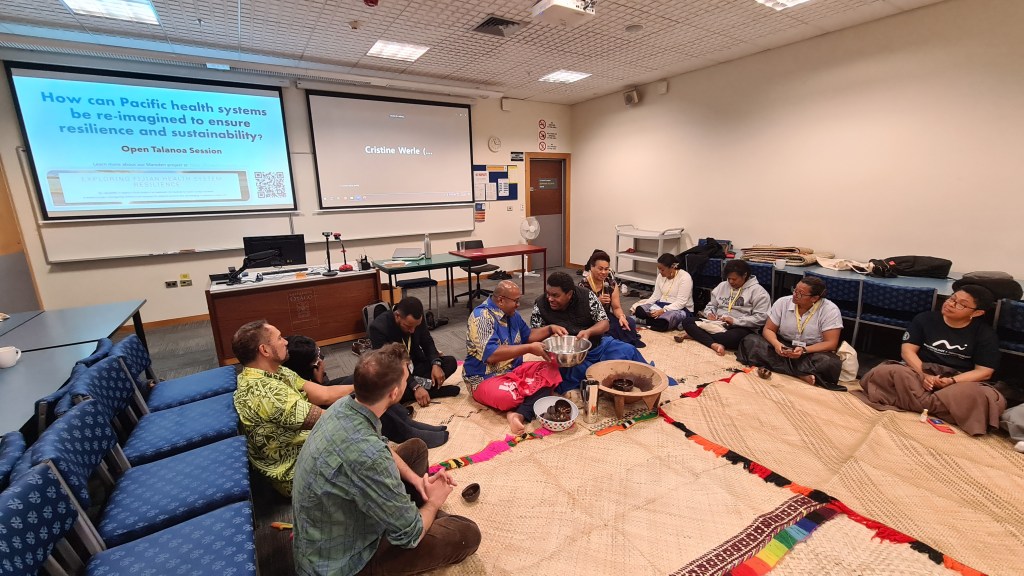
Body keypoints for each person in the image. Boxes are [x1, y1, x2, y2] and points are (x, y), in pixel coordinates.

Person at [292, 343, 481, 576]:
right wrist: (433, 503)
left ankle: (413, 511)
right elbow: (409, 537)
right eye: (406, 379)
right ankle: (418, 515)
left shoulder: (344, 405)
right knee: (467, 533)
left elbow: (379, 444)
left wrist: (417, 480)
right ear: (394, 393)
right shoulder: (368, 456)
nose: (408, 383)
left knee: (416, 448)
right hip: (343, 564)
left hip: (330, 528)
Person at [854, 285, 1007, 436]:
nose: (950, 304)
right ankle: (943, 409)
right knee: (886, 371)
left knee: (982, 395)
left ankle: (913, 402)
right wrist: (923, 374)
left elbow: (984, 371)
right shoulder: (925, 319)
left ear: (977, 312)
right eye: (952, 298)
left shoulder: (985, 334)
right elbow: (907, 351)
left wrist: (952, 381)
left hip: (957, 382)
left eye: (961, 304)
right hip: (919, 371)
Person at [232, 320, 353, 496]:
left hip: (308, 444)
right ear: (264, 350)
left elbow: (324, 394)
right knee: (364, 427)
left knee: (360, 388)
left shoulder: (276, 371)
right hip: (298, 472)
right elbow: (332, 419)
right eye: (279, 338)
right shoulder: (267, 393)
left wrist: (365, 385)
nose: (286, 342)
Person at [283, 335, 448, 448]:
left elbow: (323, 388)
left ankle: (407, 423)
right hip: (323, 417)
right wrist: (371, 385)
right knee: (368, 393)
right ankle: (404, 431)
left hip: (322, 394)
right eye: (318, 358)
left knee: (364, 382)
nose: (282, 341)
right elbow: (324, 396)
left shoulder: (287, 373)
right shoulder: (287, 387)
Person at [464, 280, 560, 434]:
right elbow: (492, 355)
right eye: (515, 301)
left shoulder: (512, 314)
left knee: (552, 369)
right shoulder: (481, 317)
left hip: (514, 370)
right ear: (501, 300)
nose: (518, 305)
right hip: (484, 377)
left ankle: (518, 414)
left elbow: (528, 336)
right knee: (508, 397)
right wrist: (528, 349)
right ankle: (529, 400)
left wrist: (550, 329)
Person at [532, 271, 647, 395]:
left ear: (569, 294)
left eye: (555, 295)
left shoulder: (587, 296)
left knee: (628, 350)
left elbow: (604, 323)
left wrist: (589, 332)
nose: (550, 299)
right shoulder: (541, 304)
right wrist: (549, 330)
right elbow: (532, 334)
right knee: (579, 372)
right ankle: (601, 381)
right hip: (567, 358)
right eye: (548, 294)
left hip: (596, 346)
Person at [736, 276, 846, 391]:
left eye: (800, 293)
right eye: (795, 290)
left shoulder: (830, 310)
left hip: (810, 350)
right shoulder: (783, 302)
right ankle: (800, 374)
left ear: (814, 298)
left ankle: (778, 367)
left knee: (829, 363)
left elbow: (831, 343)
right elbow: (768, 329)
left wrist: (804, 350)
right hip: (782, 344)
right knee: (751, 341)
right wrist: (776, 344)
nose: (795, 294)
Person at [369, 297, 460, 407]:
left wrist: (436, 363)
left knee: (450, 362)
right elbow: (388, 366)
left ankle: (418, 392)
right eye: (409, 326)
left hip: (416, 365)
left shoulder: (417, 320)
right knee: (386, 390)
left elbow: (427, 342)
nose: (413, 330)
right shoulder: (379, 328)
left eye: (416, 326)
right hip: (396, 372)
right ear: (397, 316)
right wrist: (415, 386)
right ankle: (432, 392)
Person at [676, 260, 771, 355]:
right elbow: (711, 305)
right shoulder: (722, 286)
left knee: (731, 338)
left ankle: (699, 335)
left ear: (745, 275)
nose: (730, 282)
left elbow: (761, 318)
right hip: (718, 323)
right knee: (687, 322)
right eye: (728, 278)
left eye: (734, 279)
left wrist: (735, 321)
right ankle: (713, 344)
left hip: (741, 327)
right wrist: (709, 313)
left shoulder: (759, 292)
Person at [580, 249, 644, 348]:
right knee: (600, 332)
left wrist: (621, 316)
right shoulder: (583, 285)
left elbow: (616, 307)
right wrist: (597, 302)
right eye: (600, 269)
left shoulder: (611, 284)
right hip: (589, 320)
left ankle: (616, 342)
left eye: (606, 269)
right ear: (592, 267)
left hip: (606, 317)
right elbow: (580, 311)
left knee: (629, 322)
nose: (603, 272)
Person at [630, 253, 694, 331]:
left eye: (662, 269)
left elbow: (681, 303)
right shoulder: (661, 276)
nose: (660, 272)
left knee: (663, 323)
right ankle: (653, 321)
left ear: (672, 267)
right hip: (661, 304)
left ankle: (644, 320)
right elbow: (656, 296)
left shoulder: (685, 277)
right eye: (659, 269)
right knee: (639, 310)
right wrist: (644, 305)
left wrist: (663, 310)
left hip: (680, 309)